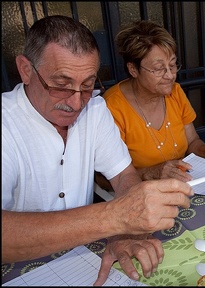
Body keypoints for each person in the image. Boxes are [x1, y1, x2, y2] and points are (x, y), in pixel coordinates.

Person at [1, 15, 194, 286]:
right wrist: (115, 219)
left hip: (84, 259)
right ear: (26, 69)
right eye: (61, 85)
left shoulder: (95, 109)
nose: (77, 101)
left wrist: (126, 232)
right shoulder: (5, 123)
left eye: (88, 84)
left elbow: (124, 176)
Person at [96, 20, 205, 189]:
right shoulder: (112, 108)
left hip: (186, 186)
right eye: (159, 69)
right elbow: (102, 179)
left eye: (172, 65)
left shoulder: (175, 92)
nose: (170, 75)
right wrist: (151, 173)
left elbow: (192, 141)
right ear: (133, 69)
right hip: (142, 195)